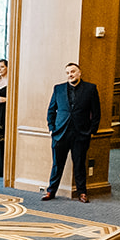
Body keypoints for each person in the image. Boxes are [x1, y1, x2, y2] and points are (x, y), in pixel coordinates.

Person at [43, 62, 100, 203]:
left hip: (81, 134)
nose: (70, 75)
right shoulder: (58, 89)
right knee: (57, 164)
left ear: (79, 73)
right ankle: (51, 191)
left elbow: (96, 112)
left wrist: (92, 131)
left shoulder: (90, 89)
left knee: (79, 164)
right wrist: (51, 129)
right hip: (60, 133)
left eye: (73, 72)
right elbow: (51, 111)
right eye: (68, 73)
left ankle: (82, 193)